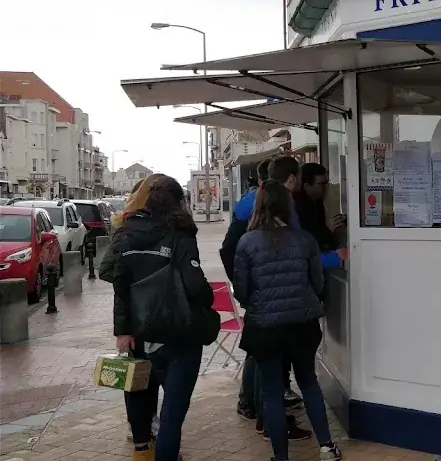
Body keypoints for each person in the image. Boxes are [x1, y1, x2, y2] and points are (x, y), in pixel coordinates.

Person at [233, 180, 344, 461]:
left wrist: (258, 305)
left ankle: (281, 456)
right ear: (288, 205)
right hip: (303, 324)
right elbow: (317, 282)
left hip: (265, 327)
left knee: (271, 392)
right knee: (308, 382)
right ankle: (327, 447)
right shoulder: (304, 239)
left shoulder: (247, 242)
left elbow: (242, 290)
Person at [113, 175, 220, 461]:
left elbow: (120, 286)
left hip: (140, 333)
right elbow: (195, 285)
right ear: (179, 202)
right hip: (178, 333)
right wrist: (208, 299)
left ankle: (142, 451)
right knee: (171, 416)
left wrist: (122, 331)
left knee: (139, 397)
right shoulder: (180, 234)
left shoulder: (127, 233)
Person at [221, 158, 307, 437]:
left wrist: (245, 289)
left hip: (261, 296)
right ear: (291, 180)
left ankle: (254, 407)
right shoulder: (268, 206)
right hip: (271, 299)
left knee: (258, 353)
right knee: (267, 358)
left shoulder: (250, 204)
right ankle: (267, 417)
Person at [99, 175, 161, 444]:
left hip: (155, 313)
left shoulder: (165, 229)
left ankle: (147, 422)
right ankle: (139, 428)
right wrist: (134, 282)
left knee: (153, 372)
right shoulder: (126, 230)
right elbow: (107, 270)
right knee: (137, 374)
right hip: (136, 314)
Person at [295, 163, 346, 251]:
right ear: (307, 186)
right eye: (321, 184)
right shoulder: (298, 207)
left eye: (326, 183)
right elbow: (304, 240)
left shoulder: (317, 202)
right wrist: (328, 229)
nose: (326, 187)